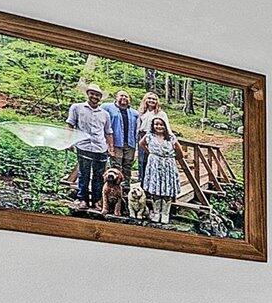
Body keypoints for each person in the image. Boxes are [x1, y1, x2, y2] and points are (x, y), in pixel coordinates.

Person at [63, 82, 112, 211]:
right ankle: (82, 199)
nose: (94, 97)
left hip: (100, 147)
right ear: (88, 94)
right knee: (83, 173)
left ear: (100, 97)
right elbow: (70, 125)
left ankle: (96, 200)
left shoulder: (105, 113)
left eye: (97, 95)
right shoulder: (77, 108)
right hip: (83, 145)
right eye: (92, 94)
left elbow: (108, 131)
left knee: (99, 175)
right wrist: (68, 142)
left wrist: (110, 147)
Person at [135, 109, 183, 226]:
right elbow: (141, 144)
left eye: (161, 124)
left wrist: (171, 158)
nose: (159, 126)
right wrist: (151, 153)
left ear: (165, 126)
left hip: (168, 165)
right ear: (153, 125)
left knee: (167, 190)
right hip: (154, 164)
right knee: (156, 188)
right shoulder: (150, 136)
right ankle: (156, 212)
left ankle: (165, 213)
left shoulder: (171, 138)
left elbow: (180, 152)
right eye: (156, 124)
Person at [103, 87, 143, 216]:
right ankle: (110, 191)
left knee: (127, 167)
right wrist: (108, 143)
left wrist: (137, 147)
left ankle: (124, 193)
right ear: (116, 97)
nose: (123, 98)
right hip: (116, 142)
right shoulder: (108, 107)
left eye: (126, 96)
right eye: (121, 96)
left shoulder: (134, 113)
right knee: (116, 166)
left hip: (130, 143)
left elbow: (138, 130)